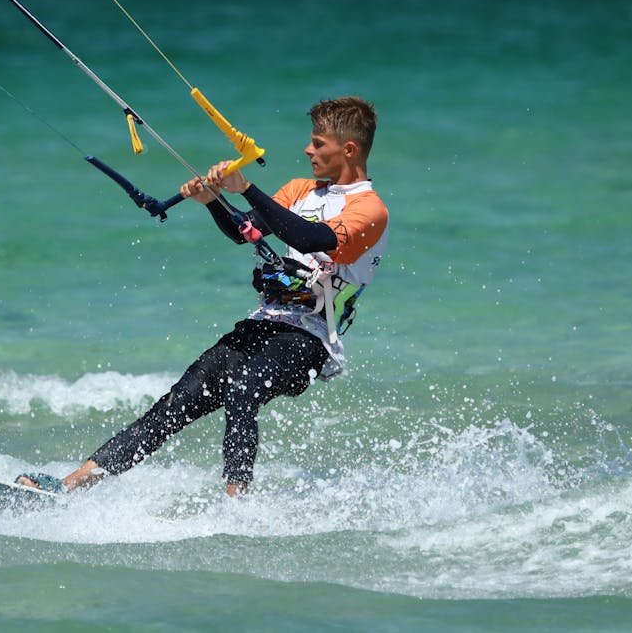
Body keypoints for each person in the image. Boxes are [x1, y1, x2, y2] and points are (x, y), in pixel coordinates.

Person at [20, 96, 389, 497]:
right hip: (265, 322)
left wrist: (245, 187)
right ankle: (68, 487)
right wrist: (213, 201)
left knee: (244, 386)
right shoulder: (302, 189)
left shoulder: (370, 209)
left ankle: (236, 503)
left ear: (348, 149)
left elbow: (309, 237)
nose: (307, 150)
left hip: (311, 338)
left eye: (318, 143)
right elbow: (245, 230)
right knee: (179, 400)